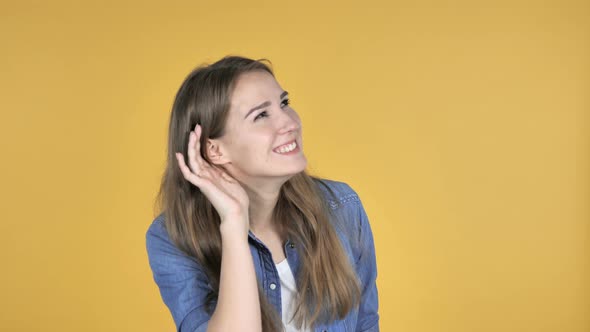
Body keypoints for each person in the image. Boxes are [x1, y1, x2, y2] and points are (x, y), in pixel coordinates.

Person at [145, 55, 379, 332]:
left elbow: (366, 324)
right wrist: (233, 223)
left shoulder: (342, 207)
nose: (290, 122)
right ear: (215, 150)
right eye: (261, 115)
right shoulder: (174, 238)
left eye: (284, 103)